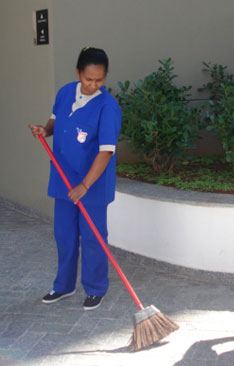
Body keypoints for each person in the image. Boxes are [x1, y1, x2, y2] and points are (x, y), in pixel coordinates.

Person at [29, 47, 122, 311]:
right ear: (78, 73)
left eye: (99, 80)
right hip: (63, 177)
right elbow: (55, 121)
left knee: (93, 237)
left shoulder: (108, 107)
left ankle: (95, 288)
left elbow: (105, 151)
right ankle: (63, 286)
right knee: (64, 234)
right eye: (88, 79)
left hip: (91, 183)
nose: (93, 85)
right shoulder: (65, 92)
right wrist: (44, 130)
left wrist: (84, 186)